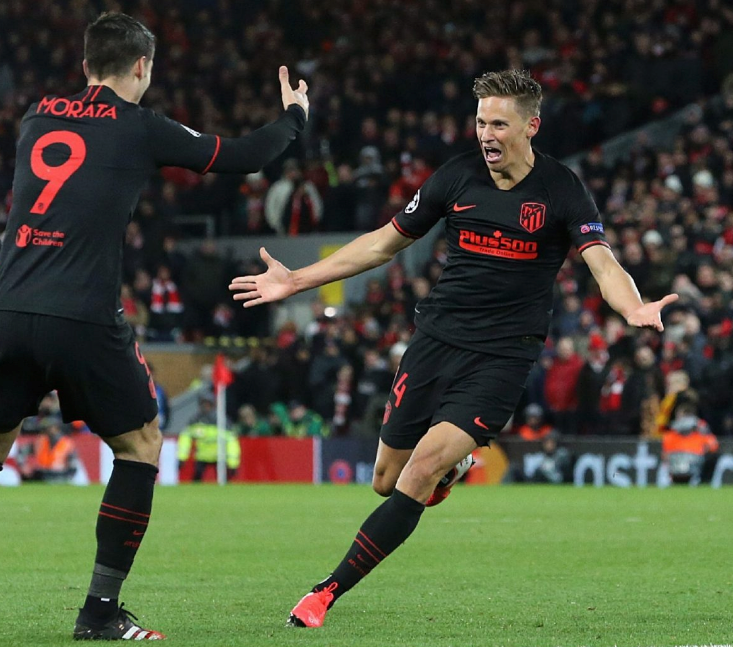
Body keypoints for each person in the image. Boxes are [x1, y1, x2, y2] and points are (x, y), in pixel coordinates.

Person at [0, 11, 308, 642]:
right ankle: (99, 611)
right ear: (142, 66)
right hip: (83, 314)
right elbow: (244, 156)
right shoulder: (140, 125)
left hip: (10, 311)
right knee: (140, 446)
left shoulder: (36, 117)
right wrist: (294, 117)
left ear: (86, 65)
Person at [229, 69, 676, 628]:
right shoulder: (457, 176)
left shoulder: (562, 189)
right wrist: (297, 280)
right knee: (385, 481)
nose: (486, 134)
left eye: (499, 124)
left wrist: (631, 307)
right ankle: (453, 468)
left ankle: (324, 593)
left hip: (503, 357)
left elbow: (602, 263)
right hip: (436, 342)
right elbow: (382, 244)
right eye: (481, 122)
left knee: (418, 473)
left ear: (531, 127)